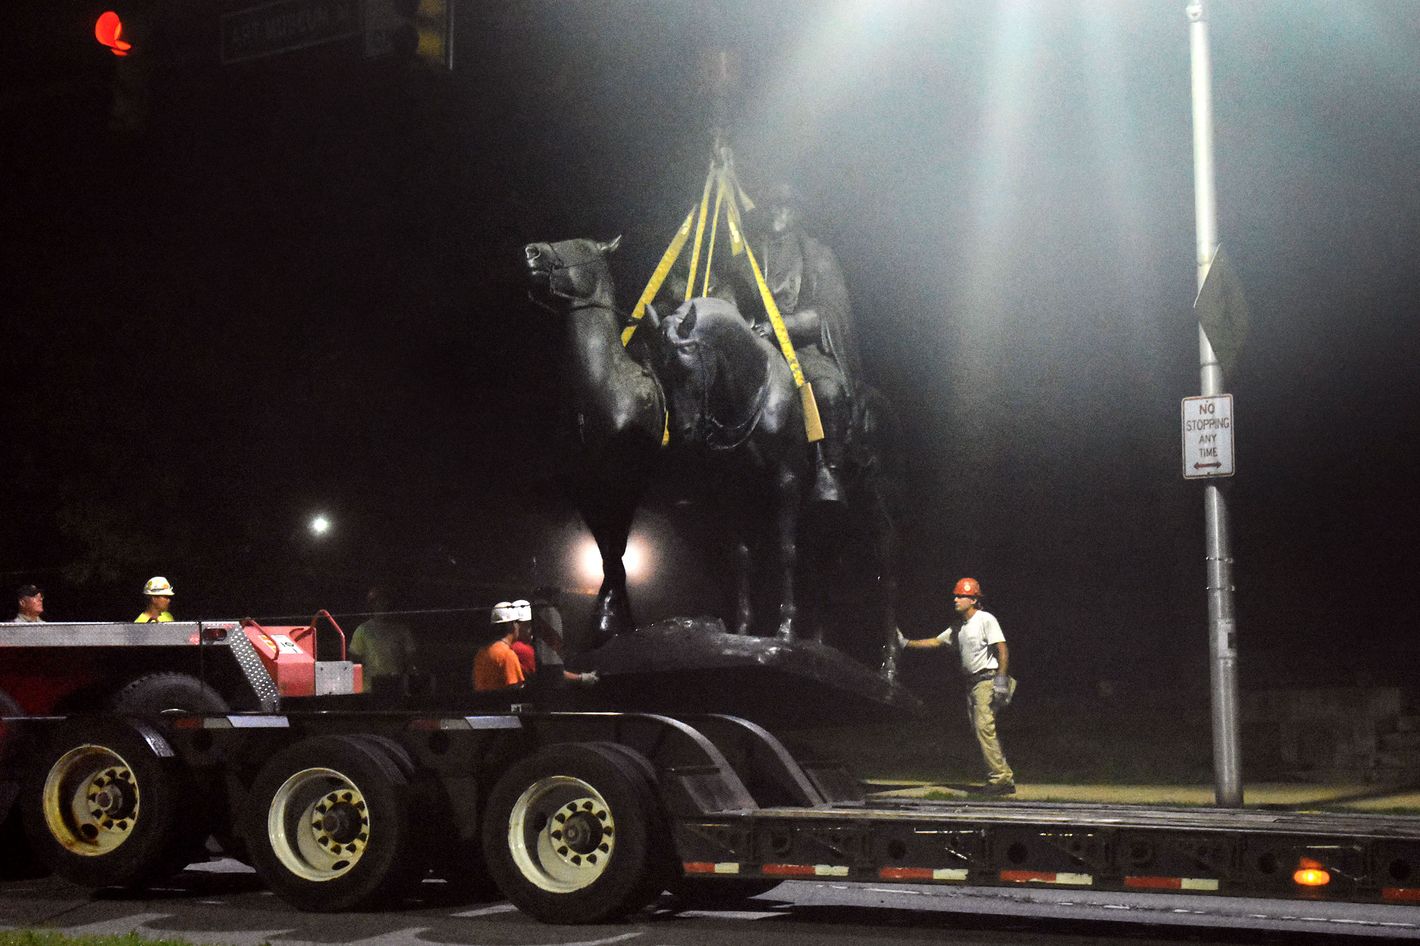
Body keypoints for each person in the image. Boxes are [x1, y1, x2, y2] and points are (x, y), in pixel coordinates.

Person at [738, 182, 864, 502]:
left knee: (827, 391)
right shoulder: (747, 259)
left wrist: (782, 326)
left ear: (796, 213)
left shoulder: (818, 256)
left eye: (784, 206)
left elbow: (829, 310)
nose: (776, 212)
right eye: (771, 205)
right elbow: (731, 294)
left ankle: (830, 469)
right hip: (755, 344)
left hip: (801, 347)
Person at [899, 577, 1017, 794]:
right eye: (956, 595)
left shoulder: (985, 619)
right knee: (981, 730)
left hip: (987, 680)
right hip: (972, 684)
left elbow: (1002, 648)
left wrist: (1001, 678)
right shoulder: (959, 627)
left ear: (973, 599)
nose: (955, 599)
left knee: (984, 728)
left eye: (960, 595)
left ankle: (1000, 779)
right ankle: (1003, 777)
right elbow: (936, 641)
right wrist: (906, 643)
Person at [349, 587, 416, 702]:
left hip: (396, 688)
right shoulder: (363, 630)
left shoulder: (401, 630)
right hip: (370, 690)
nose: (382, 605)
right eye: (378, 602)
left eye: (385, 601)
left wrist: (409, 685)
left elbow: (411, 660)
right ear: (372, 605)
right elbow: (354, 661)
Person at [473, 600, 528, 692]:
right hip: (502, 705)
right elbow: (515, 691)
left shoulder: (481, 652)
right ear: (510, 625)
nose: (519, 626)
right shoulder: (507, 655)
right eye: (517, 621)